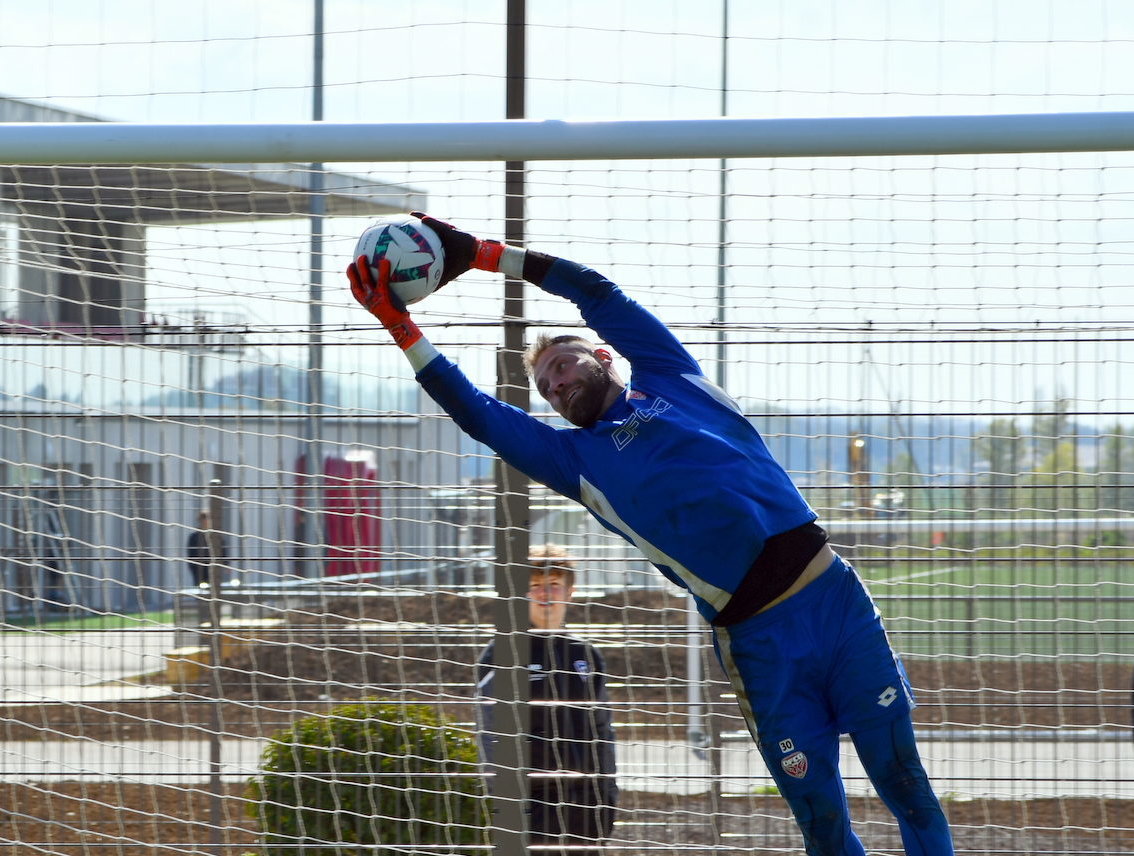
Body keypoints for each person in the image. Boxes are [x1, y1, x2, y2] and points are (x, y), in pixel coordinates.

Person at [347, 214, 955, 856]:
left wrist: (485, 255)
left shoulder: (673, 378)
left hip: (833, 604)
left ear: (603, 355)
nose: (555, 384)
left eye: (562, 363)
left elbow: (596, 293)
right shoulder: (573, 461)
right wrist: (399, 324)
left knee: (901, 778)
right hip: (756, 643)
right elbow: (477, 412)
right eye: (545, 386)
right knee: (822, 821)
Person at [476, 546, 617, 853]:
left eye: (553, 584)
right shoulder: (504, 652)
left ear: (570, 591)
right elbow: (490, 734)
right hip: (529, 806)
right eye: (535, 587)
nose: (545, 594)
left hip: (585, 804)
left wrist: (608, 794)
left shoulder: (585, 654)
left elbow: (603, 730)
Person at [185, 511, 223, 587]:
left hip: (214, 566)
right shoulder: (194, 536)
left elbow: (222, 549)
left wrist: (225, 563)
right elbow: (191, 553)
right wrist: (192, 565)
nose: (206, 521)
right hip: (199, 567)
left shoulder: (216, 535)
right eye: (204, 519)